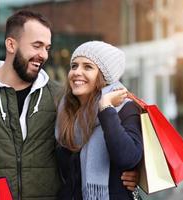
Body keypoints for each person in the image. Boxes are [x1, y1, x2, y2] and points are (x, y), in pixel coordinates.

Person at [0, 11, 139, 200]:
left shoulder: (60, 97)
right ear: (11, 45)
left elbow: (86, 153)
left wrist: (125, 175)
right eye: (36, 46)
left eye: (47, 48)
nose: (44, 55)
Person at [56, 41, 143, 200]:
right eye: (74, 66)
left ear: (104, 76)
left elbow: (128, 158)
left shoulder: (124, 108)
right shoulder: (65, 110)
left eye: (88, 67)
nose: (77, 72)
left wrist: (106, 108)